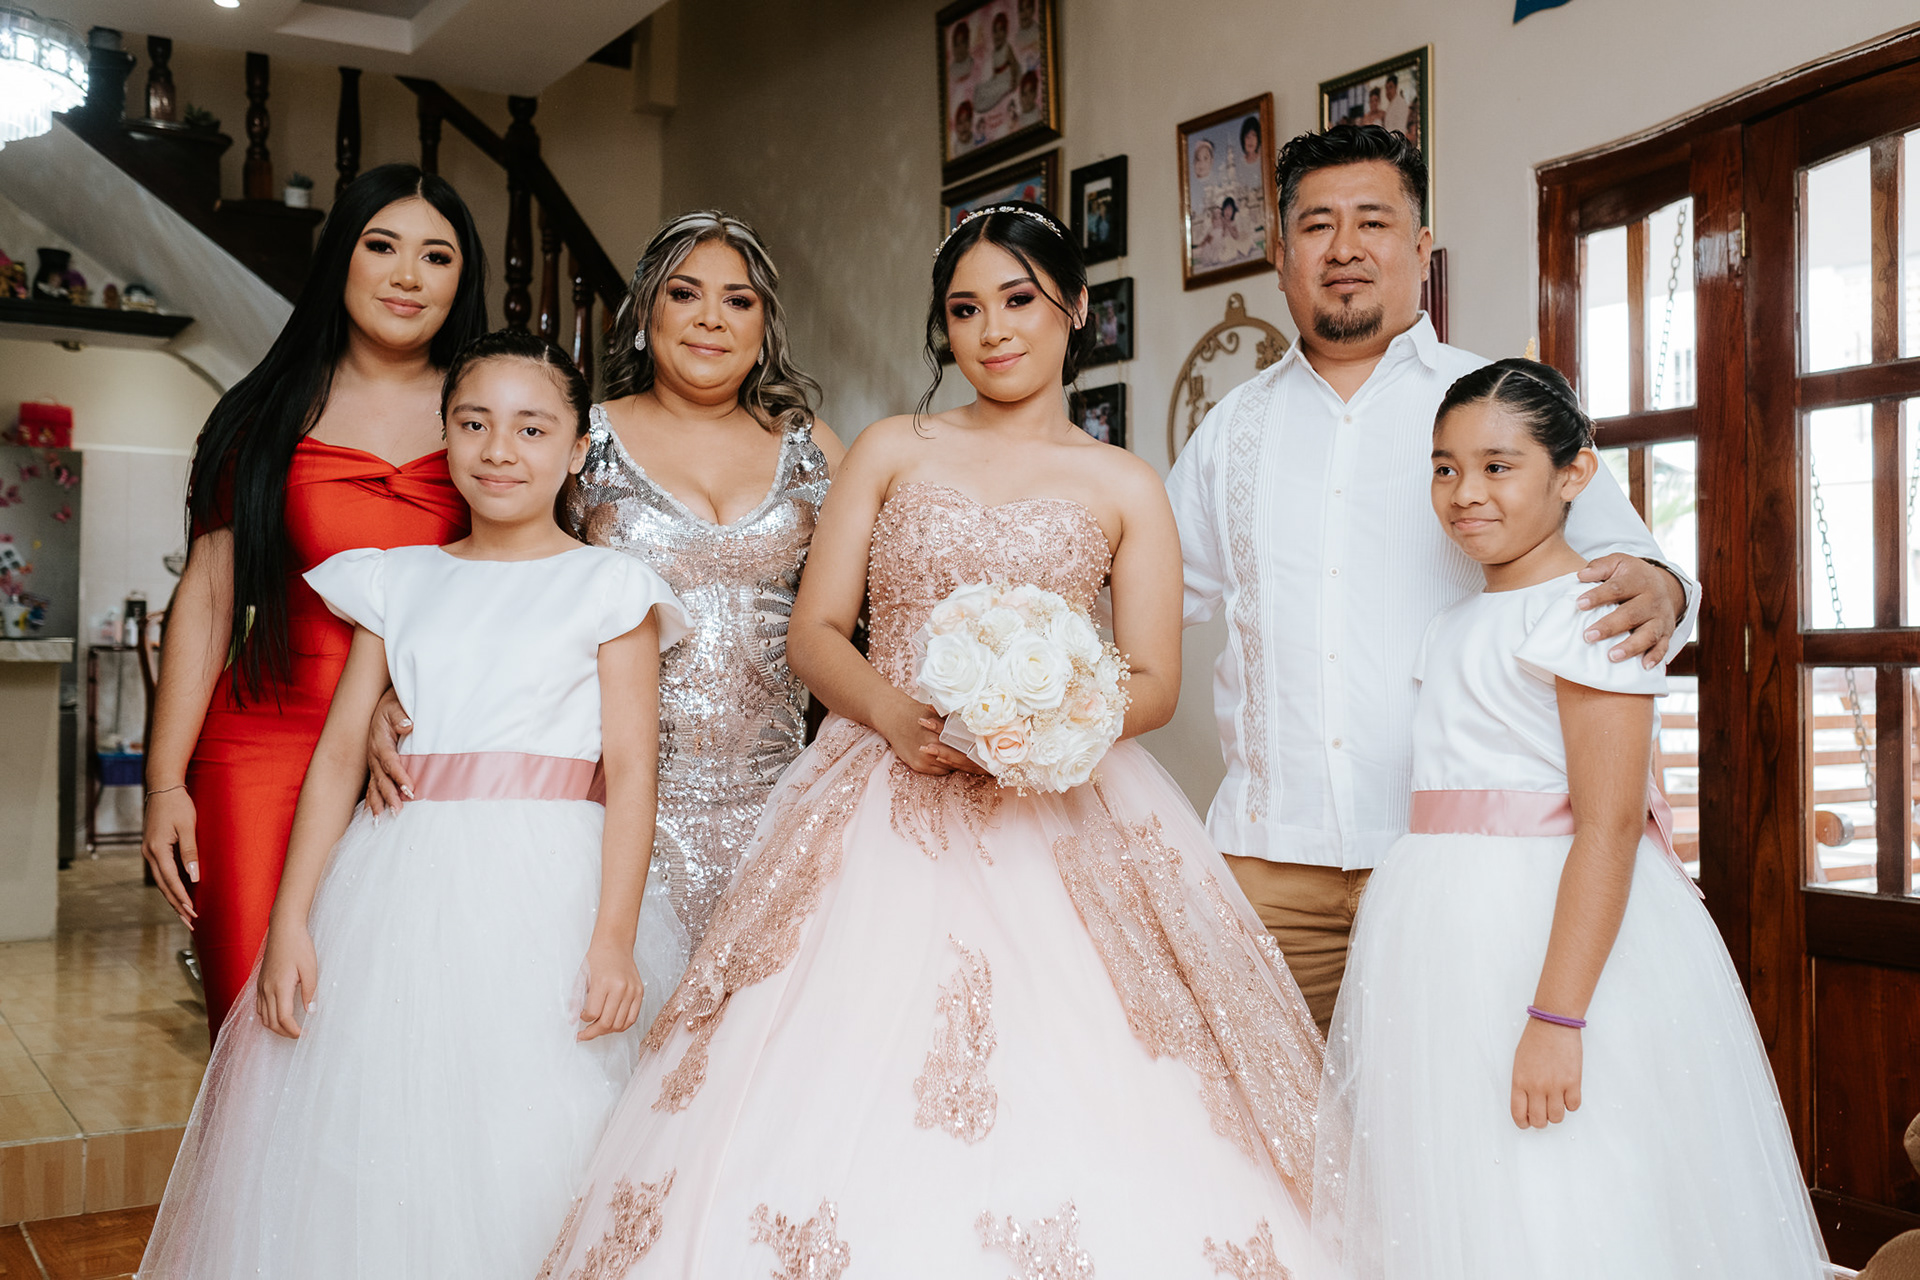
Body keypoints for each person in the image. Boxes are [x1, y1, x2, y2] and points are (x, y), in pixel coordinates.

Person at [533, 203, 1325, 1276]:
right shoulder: (888, 449)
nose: (993, 330)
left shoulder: (1125, 483)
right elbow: (816, 634)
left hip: (1060, 806)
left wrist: (1045, 723)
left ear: (1074, 309)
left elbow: (1153, 683)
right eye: (964, 309)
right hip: (881, 787)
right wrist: (896, 713)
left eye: (1019, 300)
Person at [138, 331, 691, 1279]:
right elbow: (335, 762)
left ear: (577, 450)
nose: (499, 450)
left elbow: (634, 773)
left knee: (534, 1117)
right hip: (399, 883)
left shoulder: (612, 587)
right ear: (445, 438)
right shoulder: (398, 580)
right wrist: (291, 921)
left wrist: (613, 938)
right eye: (473, 424)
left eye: (531, 429)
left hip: (548, 887)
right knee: (395, 1117)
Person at [1166, 125, 1696, 1035]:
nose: (1344, 248)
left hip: (1455, 866)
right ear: (1280, 255)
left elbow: (1633, 573)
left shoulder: (1493, 404)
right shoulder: (1229, 431)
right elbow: (1150, 600)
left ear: (1419, 248)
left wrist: (1666, 587)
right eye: (1317, 225)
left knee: (1441, 1115)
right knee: (1254, 1121)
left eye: (1372, 222)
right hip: (1266, 866)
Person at [1312, 360, 1828, 1279]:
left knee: (1564, 1178)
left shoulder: (1594, 615)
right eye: (1444, 468)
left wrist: (1556, 1016)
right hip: (1441, 930)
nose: (1466, 493)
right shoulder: (1452, 624)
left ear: (1574, 474)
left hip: (1550, 932)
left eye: (1498, 467)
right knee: (1464, 1173)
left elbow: (1610, 825)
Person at [368, 211, 841, 965]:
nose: (711, 318)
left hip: (782, 800)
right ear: (646, 312)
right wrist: (407, 690)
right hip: (616, 801)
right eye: (684, 294)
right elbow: (495, 574)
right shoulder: (582, 441)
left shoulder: (812, 447)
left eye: (739, 300)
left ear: (765, 326)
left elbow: (861, 616)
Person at [140, 164, 488, 1042]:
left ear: (463, 279)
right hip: (258, 754)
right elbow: (208, 599)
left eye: (437, 256)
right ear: (341, 257)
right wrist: (164, 780)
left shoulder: (489, 418)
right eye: (382, 246)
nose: (408, 276)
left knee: (394, 1040)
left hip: (422, 757)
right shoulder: (263, 413)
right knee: (255, 1027)